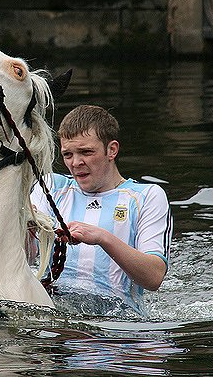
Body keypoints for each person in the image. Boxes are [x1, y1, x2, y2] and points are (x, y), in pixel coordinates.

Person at [31, 105, 172, 314]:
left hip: (116, 315)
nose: (76, 162)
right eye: (68, 154)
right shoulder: (50, 187)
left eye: (86, 152)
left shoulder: (147, 196)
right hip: (52, 306)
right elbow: (25, 255)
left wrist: (102, 238)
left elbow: (153, 278)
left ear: (112, 150)